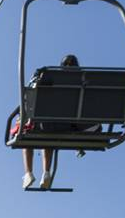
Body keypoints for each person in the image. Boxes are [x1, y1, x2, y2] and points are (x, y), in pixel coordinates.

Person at [19, 54, 81, 190]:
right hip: (68, 126)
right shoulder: (82, 82)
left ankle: (28, 173)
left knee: (28, 133)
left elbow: (30, 98)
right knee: (50, 133)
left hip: (47, 124)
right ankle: (46, 172)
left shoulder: (51, 78)